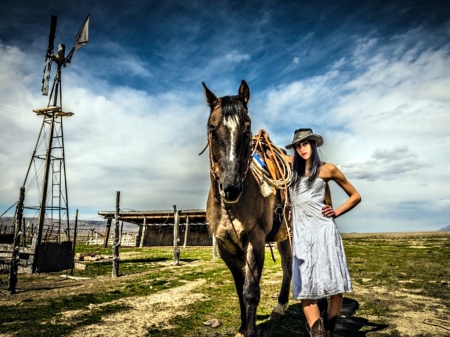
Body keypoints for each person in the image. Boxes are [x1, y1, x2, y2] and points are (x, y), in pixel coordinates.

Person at [285, 128, 361, 337]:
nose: (302, 149)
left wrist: (336, 212)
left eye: (305, 144)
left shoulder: (328, 169)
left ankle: (328, 330)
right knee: (304, 287)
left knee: (334, 285)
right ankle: (318, 333)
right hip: (302, 235)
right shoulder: (291, 166)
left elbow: (355, 196)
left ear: (314, 144)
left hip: (325, 231)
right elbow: (265, 153)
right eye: (298, 145)